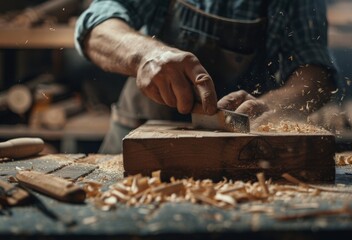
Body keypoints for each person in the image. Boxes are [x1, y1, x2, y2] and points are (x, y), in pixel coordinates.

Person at [75, 0, 337, 154]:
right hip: (141, 141)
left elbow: (315, 70)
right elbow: (95, 25)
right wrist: (145, 54)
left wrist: (274, 105)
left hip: (243, 148)